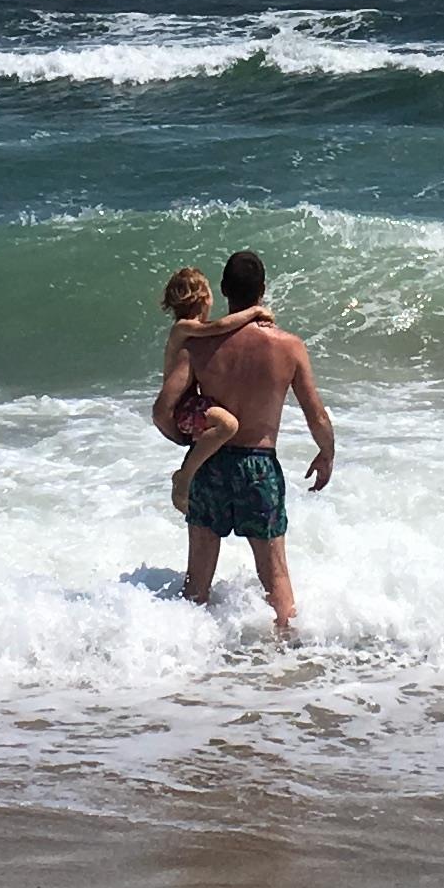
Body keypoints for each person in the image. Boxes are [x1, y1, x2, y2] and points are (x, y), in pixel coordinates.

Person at [152, 249, 334, 639]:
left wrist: (183, 439)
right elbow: (315, 413)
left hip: (210, 462)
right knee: (276, 576)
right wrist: (326, 452)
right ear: (263, 290)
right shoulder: (289, 347)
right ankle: (286, 664)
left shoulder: (199, 346)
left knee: (197, 581)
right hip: (260, 467)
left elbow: (165, 407)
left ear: (223, 290)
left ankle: (186, 664)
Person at [154, 267, 267, 516]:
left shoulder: (190, 331)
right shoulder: (183, 328)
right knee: (228, 425)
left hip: (191, 403)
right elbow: (220, 327)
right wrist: (255, 312)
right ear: (204, 298)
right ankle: (185, 476)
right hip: (185, 406)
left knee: (222, 426)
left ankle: (188, 474)